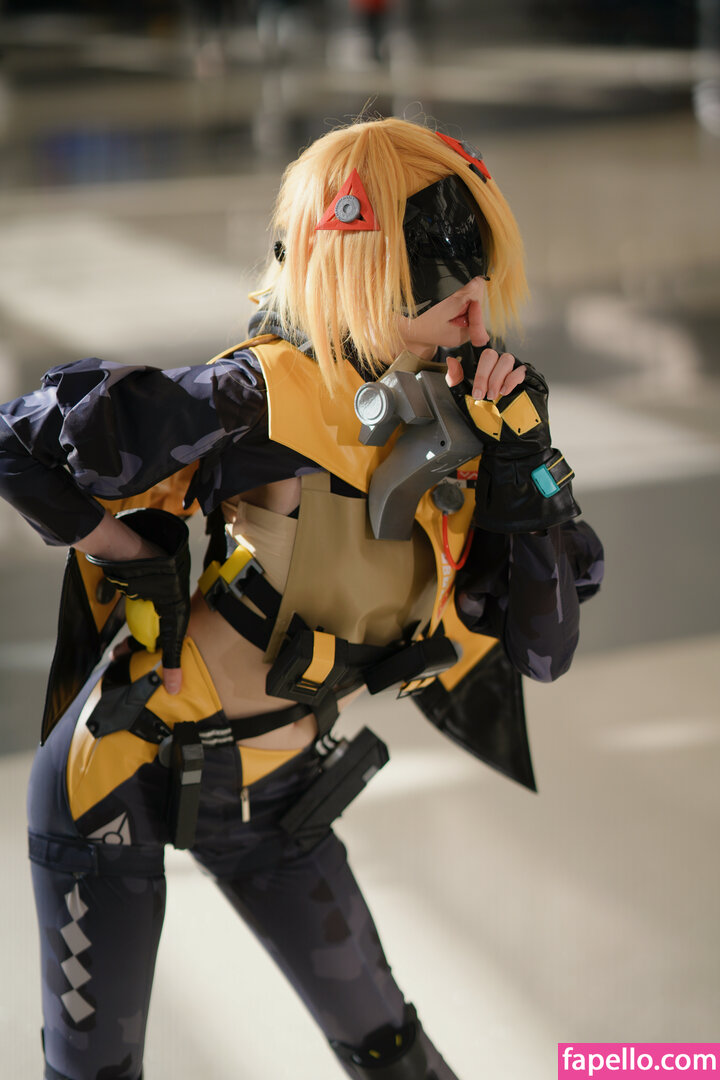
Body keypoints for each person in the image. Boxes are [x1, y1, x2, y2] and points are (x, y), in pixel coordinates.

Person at [0, 116, 603, 1080]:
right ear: (365, 265)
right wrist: (129, 551)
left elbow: (543, 650)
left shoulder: (481, 420)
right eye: (442, 261)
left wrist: (526, 467)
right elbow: (19, 439)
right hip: (121, 765)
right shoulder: (267, 397)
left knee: (393, 1049)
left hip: (275, 790)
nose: (475, 299)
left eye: (481, 263)